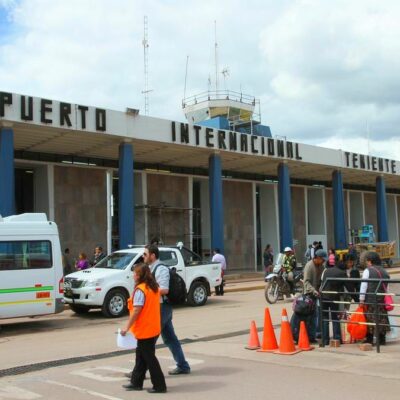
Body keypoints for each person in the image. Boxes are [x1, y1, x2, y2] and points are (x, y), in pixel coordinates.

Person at [144, 244, 191, 375]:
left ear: (153, 256)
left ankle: (140, 370)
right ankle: (183, 366)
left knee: (148, 340)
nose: (143, 257)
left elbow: (164, 289)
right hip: (159, 307)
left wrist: (147, 291)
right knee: (170, 338)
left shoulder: (161, 269)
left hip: (162, 307)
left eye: (145, 254)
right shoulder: (150, 268)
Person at [121, 263, 167, 393]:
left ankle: (160, 386)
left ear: (140, 276)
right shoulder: (153, 287)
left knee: (149, 358)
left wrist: (126, 328)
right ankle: (136, 382)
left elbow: (136, 311)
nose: (133, 275)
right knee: (141, 356)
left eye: (135, 273)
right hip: (152, 327)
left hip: (145, 329)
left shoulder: (141, 290)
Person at [320, 255, 357, 345]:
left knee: (324, 318)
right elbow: (349, 288)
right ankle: (337, 338)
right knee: (335, 318)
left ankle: (325, 340)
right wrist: (357, 299)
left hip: (323, 296)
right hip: (333, 298)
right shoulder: (341, 273)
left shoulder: (327, 270)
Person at [359, 251, 390, 345]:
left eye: (367, 261)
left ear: (370, 261)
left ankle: (369, 339)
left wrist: (361, 300)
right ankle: (382, 339)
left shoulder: (367, 270)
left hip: (370, 300)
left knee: (370, 319)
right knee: (381, 318)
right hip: (381, 300)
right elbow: (386, 286)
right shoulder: (384, 271)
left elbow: (363, 286)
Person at [303, 249, 327, 342]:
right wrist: (314, 291)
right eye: (322, 259)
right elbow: (306, 282)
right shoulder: (309, 266)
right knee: (310, 316)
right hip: (309, 294)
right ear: (317, 258)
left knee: (317, 315)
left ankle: (314, 335)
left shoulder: (321, 266)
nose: (324, 261)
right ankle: (309, 336)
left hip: (317, 293)